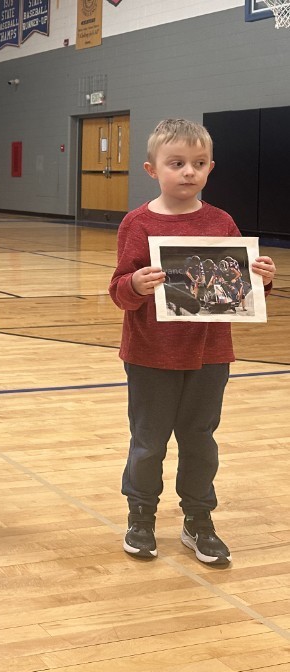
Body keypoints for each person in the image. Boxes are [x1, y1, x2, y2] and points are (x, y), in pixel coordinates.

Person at [109, 118, 276, 565]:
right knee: (149, 441)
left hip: (210, 354)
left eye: (198, 164)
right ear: (152, 168)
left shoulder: (221, 222)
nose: (188, 172)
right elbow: (118, 289)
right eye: (177, 163)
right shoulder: (138, 223)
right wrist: (135, 286)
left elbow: (239, 287)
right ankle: (140, 516)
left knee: (200, 439)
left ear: (210, 168)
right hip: (150, 354)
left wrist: (261, 280)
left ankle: (198, 519)